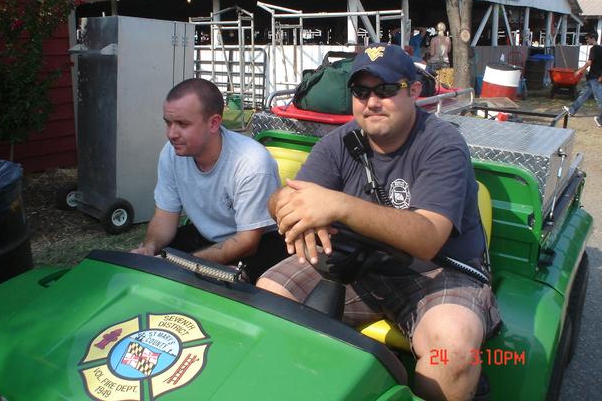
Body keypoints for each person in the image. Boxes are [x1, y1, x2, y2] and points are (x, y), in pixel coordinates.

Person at [256, 44, 500, 401]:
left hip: (435, 271)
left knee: (452, 351)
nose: (372, 102)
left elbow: (429, 237)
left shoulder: (441, 144)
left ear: (414, 91)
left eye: (385, 90)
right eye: (361, 91)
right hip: (357, 265)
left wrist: (338, 205)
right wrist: (286, 207)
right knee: (267, 298)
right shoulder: (339, 142)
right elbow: (285, 197)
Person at [132, 78, 287, 281]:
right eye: (168, 123)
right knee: (147, 269)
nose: (171, 134)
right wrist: (149, 247)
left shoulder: (252, 163)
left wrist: (186, 263)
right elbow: (164, 217)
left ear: (214, 123)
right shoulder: (171, 154)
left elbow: (247, 242)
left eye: (182, 124)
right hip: (206, 235)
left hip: (258, 244)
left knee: (214, 285)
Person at [563, 31, 602, 127]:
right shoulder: (601, 49)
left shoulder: (594, 49)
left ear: (593, 38)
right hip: (594, 77)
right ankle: (572, 110)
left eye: (587, 38)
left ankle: (601, 120)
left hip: (595, 78)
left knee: (600, 99)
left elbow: (589, 62)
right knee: (583, 95)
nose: (587, 40)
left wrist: (580, 70)